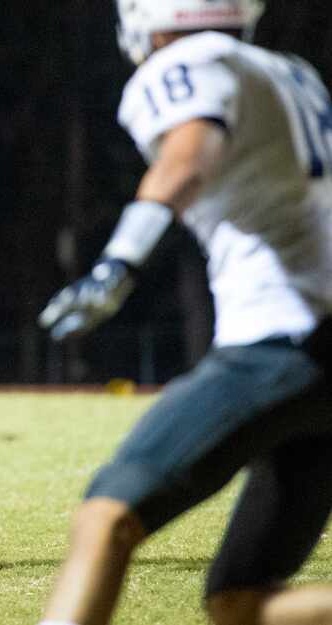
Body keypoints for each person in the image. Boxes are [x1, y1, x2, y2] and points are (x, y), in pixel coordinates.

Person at [36, 1, 332, 624]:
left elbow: (188, 156)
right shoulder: (290, 71)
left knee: (106, 516)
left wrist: (119, 262)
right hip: (315, 342)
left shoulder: (193, 60)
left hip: (287, 337)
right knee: (241, 604)